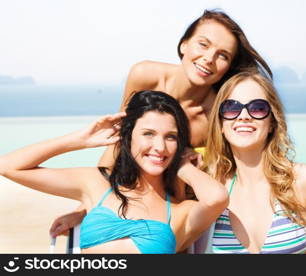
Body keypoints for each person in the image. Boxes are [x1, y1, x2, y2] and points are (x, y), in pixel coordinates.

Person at [49, 8, 272, 237]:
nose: (209, 59)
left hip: (182, 206)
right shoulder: (145, 75)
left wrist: (201, 161)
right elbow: (118, 143)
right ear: (184, 44)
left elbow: (235, 164)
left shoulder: (217, 111)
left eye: (223, 55)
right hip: (133, 193)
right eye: (203, 45)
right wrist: (85, 208)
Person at [0, 91, 228, 253]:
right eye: (148, 133)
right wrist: (81, 140)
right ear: (128, 138)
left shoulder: (180, 212)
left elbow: (217, 197)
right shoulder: (96, 183)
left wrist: (182, 165)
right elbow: (8, 166)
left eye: (171, 137)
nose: (160, 146)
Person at [201, 70, 306, 253]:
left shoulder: (301, 180)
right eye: (232, 107)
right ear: (220, 123)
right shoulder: (211, 188)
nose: (244, 115)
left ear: (272, 123)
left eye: (258, 108)